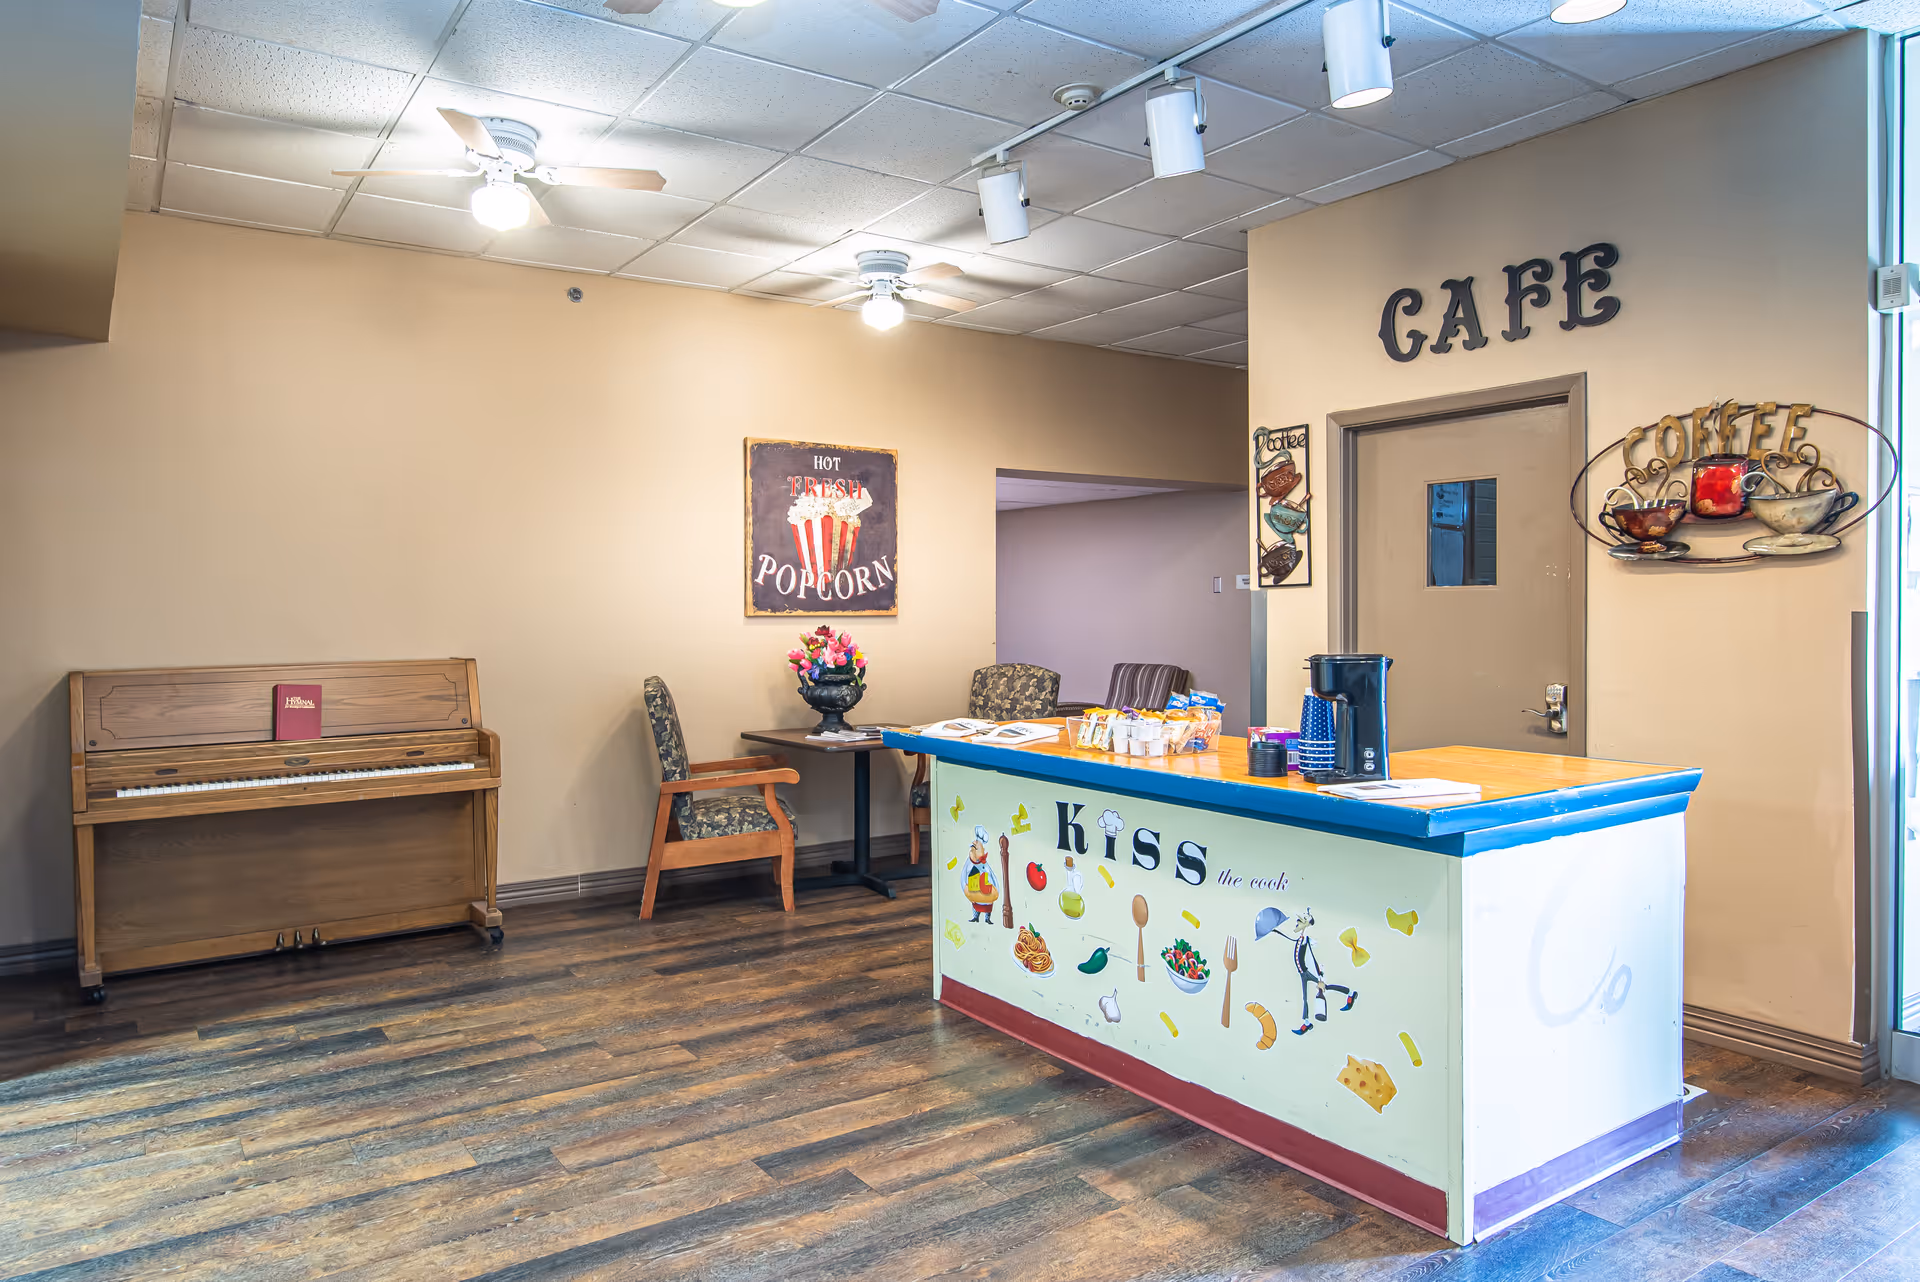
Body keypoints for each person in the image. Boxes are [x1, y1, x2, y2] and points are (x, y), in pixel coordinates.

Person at [1276, 907, 1358, 1035]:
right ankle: (1307, 1022)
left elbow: (1313, 957)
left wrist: (1320, 976)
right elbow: (1291, 936)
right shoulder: (1301, 937)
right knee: (1305, 997)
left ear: (1306, 923)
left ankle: (1350, 993)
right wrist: (1276, 930)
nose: (1297, 923)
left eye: (1299, 921)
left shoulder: (1306, 938)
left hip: (1309, 972)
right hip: (1302, 973)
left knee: (1325, 987)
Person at [962, 824, 998, 924]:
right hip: (975, 890)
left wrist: (995, 888)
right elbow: (964, 876)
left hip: (986, 891)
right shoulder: (969, 864)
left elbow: (991, 876)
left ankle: (987, 918)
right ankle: (975, 917)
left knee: (987, 905)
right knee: (975, 903)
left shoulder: (985, 865)